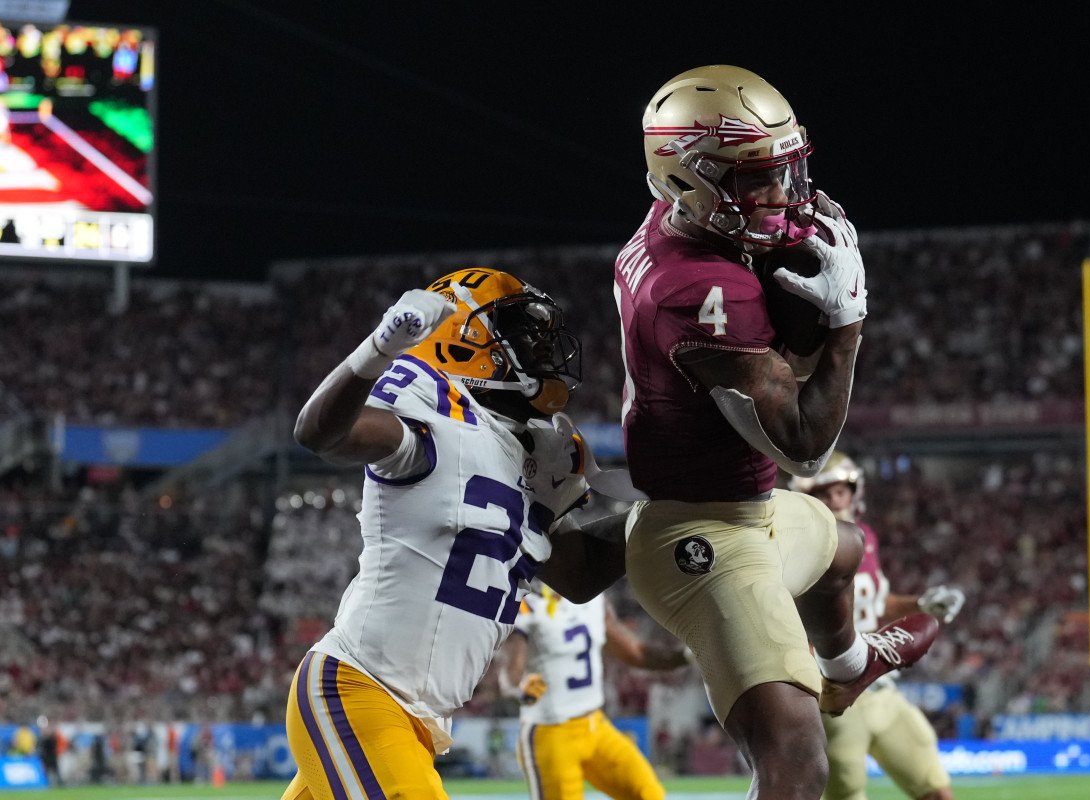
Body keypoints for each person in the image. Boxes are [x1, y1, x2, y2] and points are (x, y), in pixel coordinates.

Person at [616, 64, 939, 800]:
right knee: (797, 751)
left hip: (751, 513)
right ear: (686, 180)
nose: (779, 196)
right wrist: (848, 326)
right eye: (753, 179)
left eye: (784, 170)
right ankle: (830, 683)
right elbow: (804, 446)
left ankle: (848, 666)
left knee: (843, 545)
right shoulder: (699, 288)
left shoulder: (673, 223)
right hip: (699, 536)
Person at [282, 267, 628, 800]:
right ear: (464, 342)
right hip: (358, 693)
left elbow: (580, 575)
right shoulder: (433, 420)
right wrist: (377, 349)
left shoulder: (533, 452)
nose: (541, 348)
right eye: (521, 332)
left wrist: (680, 506)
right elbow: (321, 432)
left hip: (415, 724)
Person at [793, 454, 964, 800]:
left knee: (936, 790)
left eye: (841, 491)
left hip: (883, 688)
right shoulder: (799, 547)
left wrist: (921, 604)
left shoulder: (863, 536)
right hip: (840, 696)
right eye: (825, 493)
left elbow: (875, 604)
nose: (836, 501)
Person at [501, 585, 690, 800]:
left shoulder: (594, 599)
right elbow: (508, 677)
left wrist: (689, 655)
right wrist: (521, 687)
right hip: (551, 733)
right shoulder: (528, 607)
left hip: (595, 725)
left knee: (649, 793)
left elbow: (637, 653)